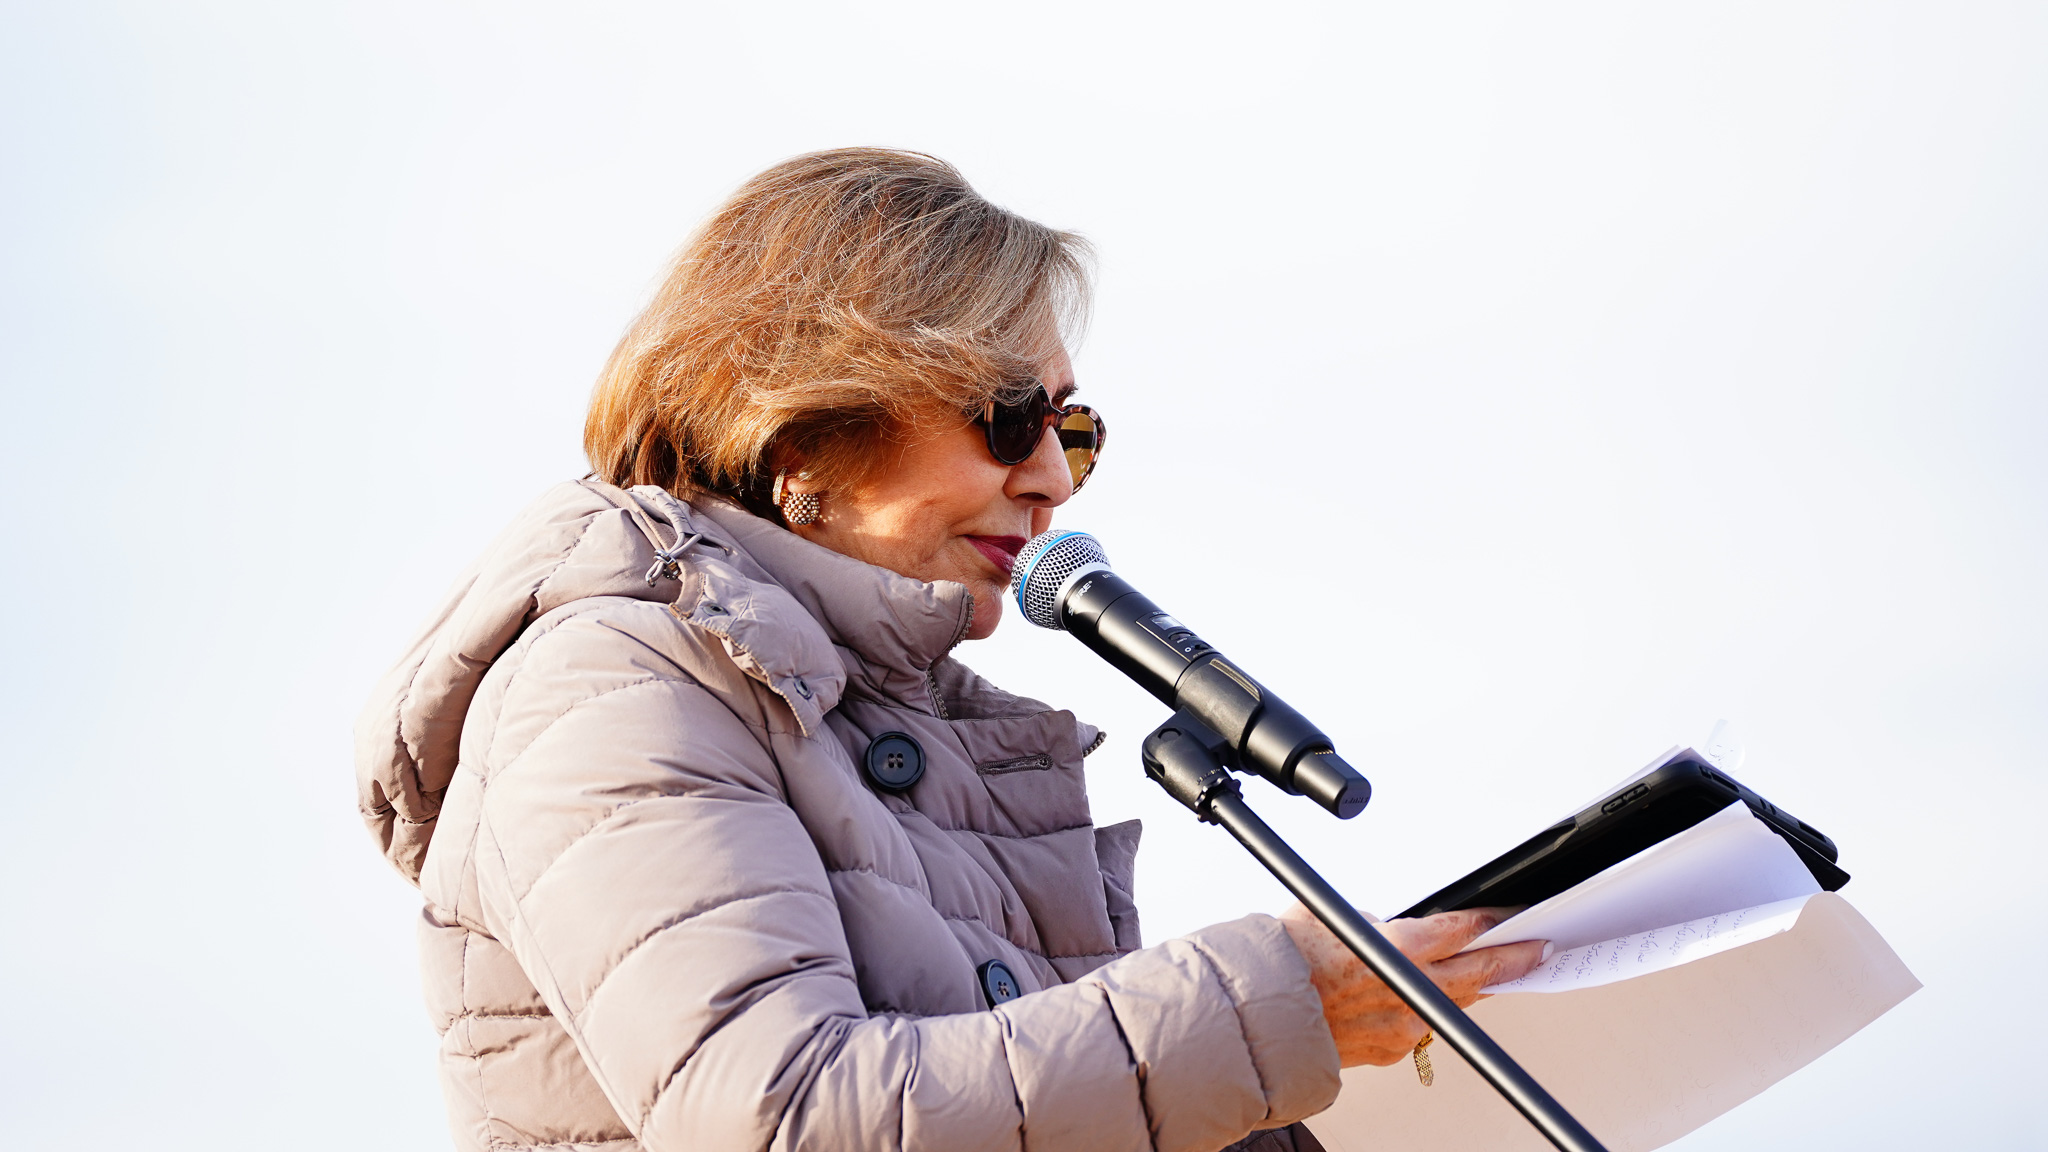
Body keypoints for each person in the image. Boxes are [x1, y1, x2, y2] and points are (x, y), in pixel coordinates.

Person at [354, 148, 1544, 1152]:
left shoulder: (914, 727)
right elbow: (788, 1118)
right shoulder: (610, 681)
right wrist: (1278, 1010)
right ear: (801, 422)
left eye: (1073, 428)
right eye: (1010, 416)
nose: (1053, 478)